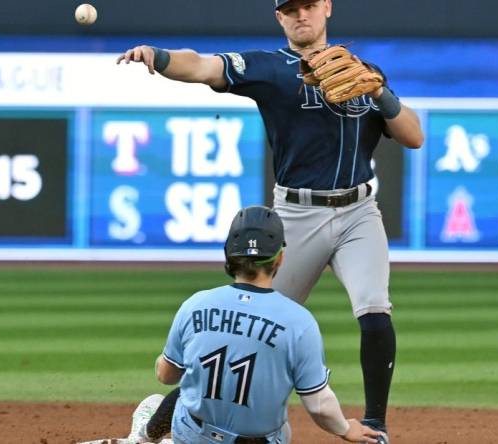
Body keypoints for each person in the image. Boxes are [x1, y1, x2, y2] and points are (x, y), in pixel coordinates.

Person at [117, 1, 425, 442]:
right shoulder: (270, 68)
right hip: (298, 215)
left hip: (359, 212)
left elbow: (413, 136)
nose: (302, 15)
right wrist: (159, 57)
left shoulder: (363, 73)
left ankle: (375, 426)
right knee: (245, 325)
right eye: (291, 8)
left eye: (310, 5)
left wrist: (379, 93)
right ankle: (154, 427)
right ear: (280, 18)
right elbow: (204, 66)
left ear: (327, 9)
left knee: (375, 308)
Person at [128, 206, 380, 444]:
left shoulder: (196, 304)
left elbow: (165, 375)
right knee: (282, 427)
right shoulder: (299, 322)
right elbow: (319, 405)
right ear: (280, 258)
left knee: (185, 390)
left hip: (193, 435)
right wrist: (347, 429)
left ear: (228, 253)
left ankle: (146, 436)